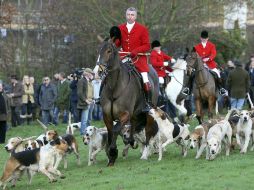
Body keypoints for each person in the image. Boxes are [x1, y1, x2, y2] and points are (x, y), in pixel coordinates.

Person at [110, 7, 152, 111]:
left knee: (145, 79)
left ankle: (147, 103)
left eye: (132, 15)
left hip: (138, 59)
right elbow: (118, 43)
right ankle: (102, 98)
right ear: (126, 15)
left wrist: (136, 51)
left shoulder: (142, 29)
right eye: (128, 14)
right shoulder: (120, 28)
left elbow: (147, 45)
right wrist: (113, 44)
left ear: (136, 16)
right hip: (124, 57)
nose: (130, 16)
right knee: (110, 73)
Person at [182, 30, 227, 96]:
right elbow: (194, 55)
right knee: (191, 74)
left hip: (210, 64)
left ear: (207, 38)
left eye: (205, 38)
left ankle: (221, 89)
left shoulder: (212, 45)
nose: (204, 40)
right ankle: (188, 89)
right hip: (200, 65)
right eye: (203, 38)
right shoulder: (196, 47)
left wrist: (209, 58)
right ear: (201, 38)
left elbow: (214, 53)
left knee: (217, 74)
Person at [77, 68, 94, 135]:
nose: (91, 74)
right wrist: (86, 100)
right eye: (90, 73)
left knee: (89, 119)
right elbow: (79, 93)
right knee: (84, 120)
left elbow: (91, 91)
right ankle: (83, 133)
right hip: (85, 102)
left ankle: (88, 132)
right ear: (86, 73)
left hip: (91, 102)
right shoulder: (81, 81)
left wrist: (93, 99)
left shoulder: (90, 81)